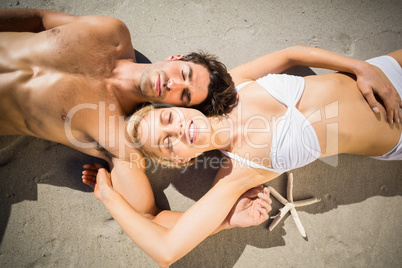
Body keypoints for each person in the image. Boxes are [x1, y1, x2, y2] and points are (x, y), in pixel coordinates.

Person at [1, 8, 400, 243]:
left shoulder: (120, 135)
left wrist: (358, 65)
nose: (175, 85)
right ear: (178, 57)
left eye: (184, 98)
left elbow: (156, 223)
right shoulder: (111, 31)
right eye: (184, 74)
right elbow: (35, 19)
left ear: (193, 109)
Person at [82, 49, 402, 267]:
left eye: (168, 121)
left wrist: (362, 67)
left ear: (178, 109)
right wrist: (109, 196)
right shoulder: (236, 175)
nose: (176, 132)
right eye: (167, 145)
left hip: (386, 70)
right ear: (180, 160)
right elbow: (165, 249)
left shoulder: (233, 88)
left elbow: (290, 54)